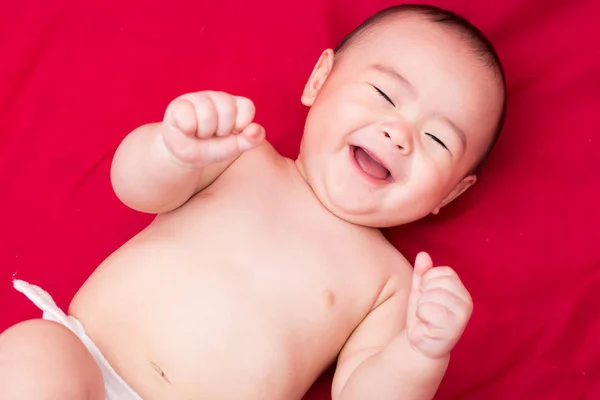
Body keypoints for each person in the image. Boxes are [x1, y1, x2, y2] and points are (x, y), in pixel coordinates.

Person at [0, 4, 506, 400]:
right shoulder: (241, 154)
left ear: (453, 191)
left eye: (439, 141)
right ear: (318, 81)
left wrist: (419, 354)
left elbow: (362, 393)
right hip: (86, 361)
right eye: (384, 94)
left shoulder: (391, 283)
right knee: (34, 352)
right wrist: (170, 150)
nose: (399, 134)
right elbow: (134, 189)